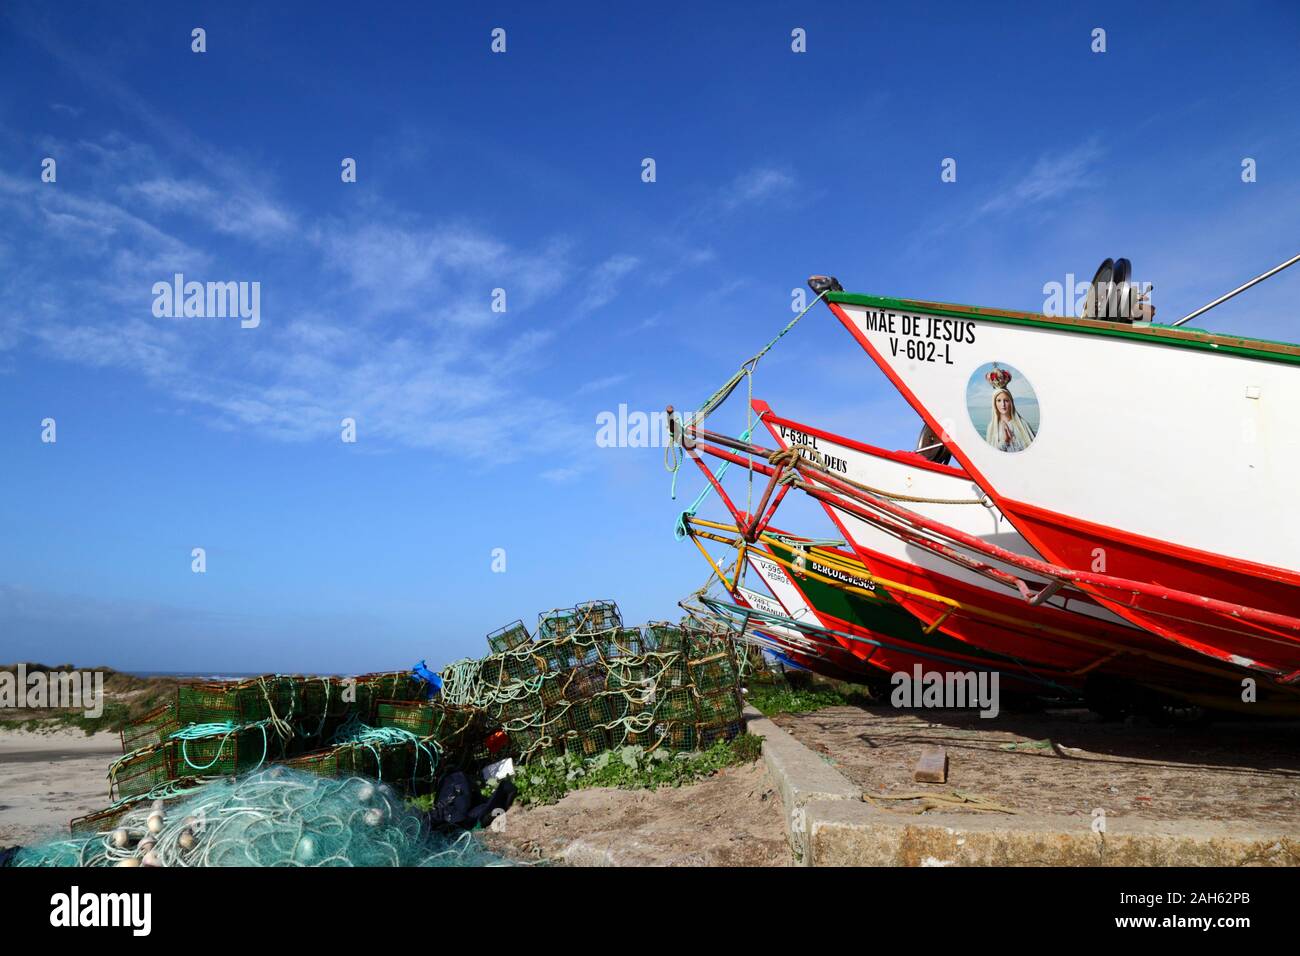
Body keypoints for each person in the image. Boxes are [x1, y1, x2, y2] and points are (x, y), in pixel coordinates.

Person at [985, 387, 1036, 452]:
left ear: (1011, 402)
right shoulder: (991, 427)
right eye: (999, 400)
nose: (1003, 404)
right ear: (994, 404)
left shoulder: (1023, 424)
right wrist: (1005, 441)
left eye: (1006, 400)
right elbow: (991, 454)